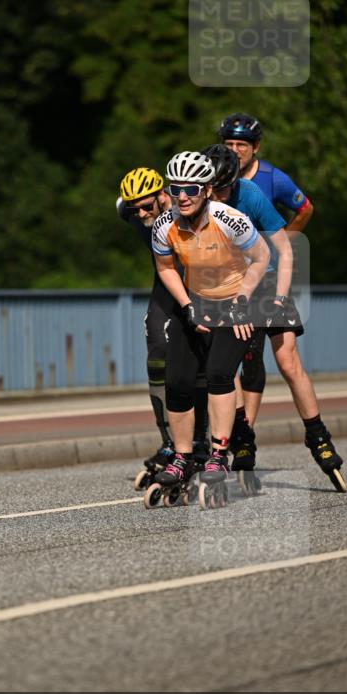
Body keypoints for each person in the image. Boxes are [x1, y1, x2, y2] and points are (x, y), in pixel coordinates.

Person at [203, 144, 346, 490]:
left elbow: (283, 250)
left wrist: (281, 299)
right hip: (230, 288)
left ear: (234, 182)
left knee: (288, 360)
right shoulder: (201, 201)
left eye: (223, 189)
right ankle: (243, 434)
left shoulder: (250, 195)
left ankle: (318, 435)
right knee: (227, 364)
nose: (217, 195)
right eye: (212, 188)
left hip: (266, 282)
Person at [150, 151, 270, 491]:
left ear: (205, 189)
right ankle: (183, 457)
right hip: (196, 301)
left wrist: (243, 300)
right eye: (175, 189)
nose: (182, 196)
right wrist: (187, 304)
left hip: (237, 302)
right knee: (177, 381)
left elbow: (262, 258)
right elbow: (165, 268)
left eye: (190, 188)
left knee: (218, 373)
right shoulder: (165, 225)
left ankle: (219, 453)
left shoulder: (230, 219)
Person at [218, 112, 313, 423]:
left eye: (241, 145)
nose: (234, 150)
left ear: (255, 146)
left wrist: (282, 239)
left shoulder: (272, 179)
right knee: (228, 357)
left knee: (257, 359)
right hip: (228, 278)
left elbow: (305, 207)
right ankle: (234, 431)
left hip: (266, 276)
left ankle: (247, 430)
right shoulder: (215, 176)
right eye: (229, 143)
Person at [117, 168, 210, 481]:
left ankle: (200, 441)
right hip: (166, 281)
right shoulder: (128, 210)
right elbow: (124, 205)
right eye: (135, 209)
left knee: (197, 362)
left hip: (200, 284)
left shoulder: (184, 207)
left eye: (147, 206)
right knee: (157, 356)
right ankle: (169, 442)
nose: (141, 213)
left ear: (163, 195)